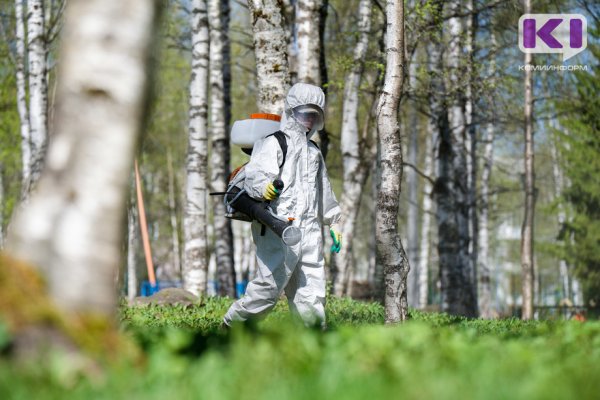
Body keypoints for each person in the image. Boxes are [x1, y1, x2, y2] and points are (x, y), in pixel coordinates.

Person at [222, 83, 342, 329]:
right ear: (291, 112)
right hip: (277, 228)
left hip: (309, 233)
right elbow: (257, 175)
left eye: (314, 116)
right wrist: (264, 187)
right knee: (267, 289)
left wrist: (334, 220)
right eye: (304, 114)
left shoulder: (314, 152)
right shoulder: (275, 143)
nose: (308, 120)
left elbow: (323, 189)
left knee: (312, 292)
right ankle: (232, 329)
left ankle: (312, 344)